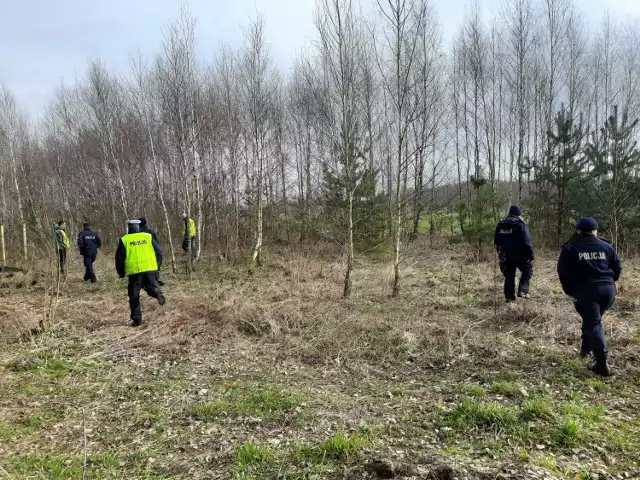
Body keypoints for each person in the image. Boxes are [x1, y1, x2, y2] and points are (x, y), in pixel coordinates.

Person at [557, 217, 622, 377]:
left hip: (586, 292)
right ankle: (585, 350)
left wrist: (570, 290)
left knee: (593, 323)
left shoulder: (571, 248)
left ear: (578, 231)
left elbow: (563, 272)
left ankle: (601, 361)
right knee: (592, 319)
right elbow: (617, 267)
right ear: (595, 231)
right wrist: (609, 282)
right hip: (608, 291)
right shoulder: (607, 246)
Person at [115, 220, 166, 327]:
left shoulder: (125, 240)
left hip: (135, 272)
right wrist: (157, 266)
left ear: (129, 227)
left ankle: (137, 319)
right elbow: (159, 252)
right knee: (149, 287)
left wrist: (121, 273)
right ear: (138, 227)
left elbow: (119, 259)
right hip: (150, 269)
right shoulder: (148, 236)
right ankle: (157, 293)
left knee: (134, 295)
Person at [494, 205, 535, 302]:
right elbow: (526, 241)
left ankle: (509, 297)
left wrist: (500, 253)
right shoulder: (519, 223)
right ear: (518, 213)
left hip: (506, 255)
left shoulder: (501, 224)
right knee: (527, 269)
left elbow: (496, 241)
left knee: (509, 275)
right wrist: (531, 255)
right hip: (520, 254)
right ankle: (522, 290)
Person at [139, 216, 164, 286]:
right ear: (146, 222)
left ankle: (143, 281)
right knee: (155, 265)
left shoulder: (137, 233)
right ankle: (156, 279)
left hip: (142, 253)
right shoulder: (151, 231)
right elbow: (157, 243)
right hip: (151, 252)